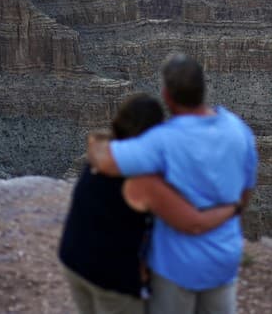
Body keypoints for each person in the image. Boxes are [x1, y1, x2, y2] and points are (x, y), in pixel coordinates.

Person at [88, 54, 258, 314]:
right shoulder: (239, 130)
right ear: (204, 88)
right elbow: (245, 195)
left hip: (176, 267)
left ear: (167, 96)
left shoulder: (161, 141)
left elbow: (104, 161)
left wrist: (102, 135)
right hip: (223, 259)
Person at [59, 93, 239, 314]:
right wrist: (232, 208)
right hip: (109, 278)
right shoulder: (142, 179)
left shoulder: (103, 150)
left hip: (73, 260)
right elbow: (194, 223)